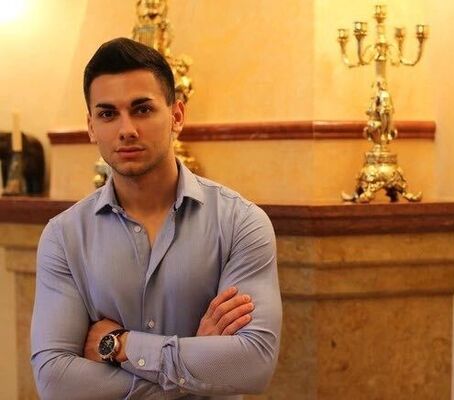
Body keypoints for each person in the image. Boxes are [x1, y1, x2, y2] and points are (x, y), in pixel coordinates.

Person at [30, 37, 282, 400]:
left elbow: (252, 364)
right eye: (107, 114)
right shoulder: (63, 236)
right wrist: (195, 369)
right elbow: (55, 381)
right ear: (91, 126)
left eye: (142, 109)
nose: (126, 129)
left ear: (176, 116)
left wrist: (118, 345)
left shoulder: (241, 223)